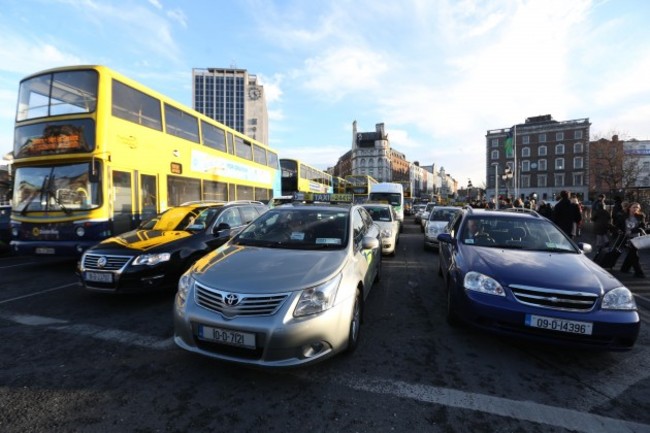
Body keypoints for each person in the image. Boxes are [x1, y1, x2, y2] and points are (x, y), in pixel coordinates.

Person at [615, 202, 646, 278]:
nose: (636, 209)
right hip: (626, 238)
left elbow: (642, 227)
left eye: (637, 207)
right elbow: (617, 225)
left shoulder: (641, 216)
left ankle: (624, 269)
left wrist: (632, 231)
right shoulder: (623, 216)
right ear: (629, 208)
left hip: (636, 238)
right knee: (634, 255)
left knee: (632, 254)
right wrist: (619, 230)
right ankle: (639, 273)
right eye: (634, 207)